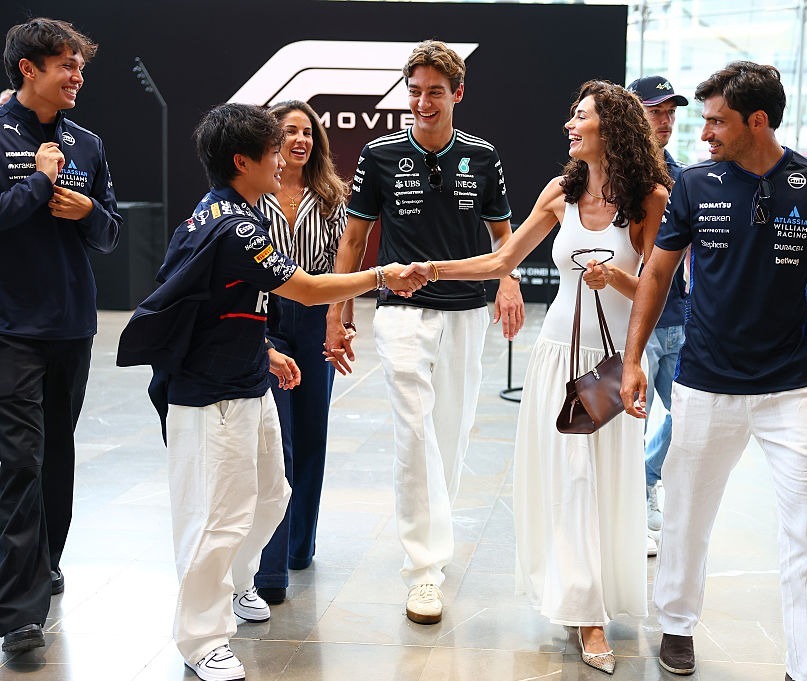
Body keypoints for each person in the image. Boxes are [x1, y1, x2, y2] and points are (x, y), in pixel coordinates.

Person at [116, 103, 423, 681]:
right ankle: (201, 638)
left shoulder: (233, 213)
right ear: (243, 162)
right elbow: (304, 288)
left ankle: (235, 585)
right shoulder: (232, 226)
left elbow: (215, 304)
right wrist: (383, 275)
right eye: (273, 150)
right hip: (210, 396)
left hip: (247, 380)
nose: (282, 159)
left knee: (270, 496)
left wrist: (263, 351)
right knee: (217, 518)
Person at [619, 62, 807, 681]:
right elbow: (657, 274)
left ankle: (806, 667)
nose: (704, 132)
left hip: (790, 389)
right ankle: (677, 624)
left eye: (717, 121)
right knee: (686, 514)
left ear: (757, 121)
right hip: (704, 383)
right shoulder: (694, 185)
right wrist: (632, 359)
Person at [402, 79, 670, 674]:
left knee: (604, 480)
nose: (570, 125)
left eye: (581, 117)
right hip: (557, 357)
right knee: (570, 478)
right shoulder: (560, 193)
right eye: (571, 116)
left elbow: (654, 287)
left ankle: (593, 597)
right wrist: (433, 269)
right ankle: (584, 611)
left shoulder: (649, 198)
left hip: (614, 364)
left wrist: (614, 278)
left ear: (612, 128)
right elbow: (502, 260)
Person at [329, 39, 524, 625]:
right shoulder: (380, 154)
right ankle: (423, 569)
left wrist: (508, 281)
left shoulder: (482, 156)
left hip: (466, 311)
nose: (422, 103)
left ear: (457, 93)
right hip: (401, 312)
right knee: (414, 433)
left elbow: (503, 235)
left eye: (434, 92)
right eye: (414, 92)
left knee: (451, 432)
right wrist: (339, 311)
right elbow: (355, 238)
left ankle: (434, 538)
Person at [0, 18, 121, 654]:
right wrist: (40, 184)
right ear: (29, 69)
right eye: (66, 66)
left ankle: (44, 562)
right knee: (19, 459)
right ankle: (20, 615)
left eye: (80, 67)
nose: (77, 77)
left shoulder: (88, 143)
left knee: (56, 456)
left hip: (72, 325)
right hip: (11, 328)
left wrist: (88, 210)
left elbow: (111, 233)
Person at [253, 100, 348, 604]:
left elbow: (343, 264)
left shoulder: (332, 196)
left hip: (315, 321)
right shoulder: (253, 193)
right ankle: (271, 562)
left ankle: (299, 545)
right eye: (290, 131)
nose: (301, 140)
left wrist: (341, 322)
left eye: (308, 132)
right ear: (272, 140)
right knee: (279, 439)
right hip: (267, 318)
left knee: (312, 435)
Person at [625, 75, 689, 555]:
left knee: (689, 416)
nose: (665, 121)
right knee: (632, 420)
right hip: (636, 321)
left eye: (670, 112)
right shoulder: (618, 178)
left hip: (681, 318)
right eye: (655, 111)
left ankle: (647, 480)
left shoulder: (685, 178)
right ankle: (629, 509)